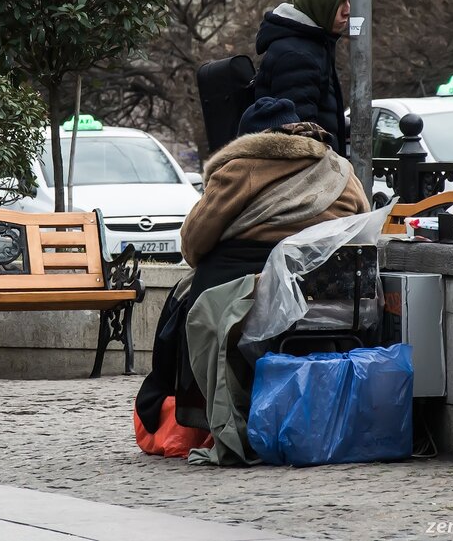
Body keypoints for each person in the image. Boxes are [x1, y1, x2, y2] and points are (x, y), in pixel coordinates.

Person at [134, 96, 368, 460]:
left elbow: (194, 244)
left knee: (183, 299)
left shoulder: (238, 170)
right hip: (327, 299)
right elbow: (361, 228)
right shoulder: (339, 170)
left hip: (242, 300)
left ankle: (200, 417)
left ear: (247, 139)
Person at [253, 0, 352, 156]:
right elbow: (299, 139)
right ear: (319, 0)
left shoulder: (312, 45)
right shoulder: (297, 56)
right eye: (339, 1)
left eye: (349, 0)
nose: (348, 10)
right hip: (309, 181)